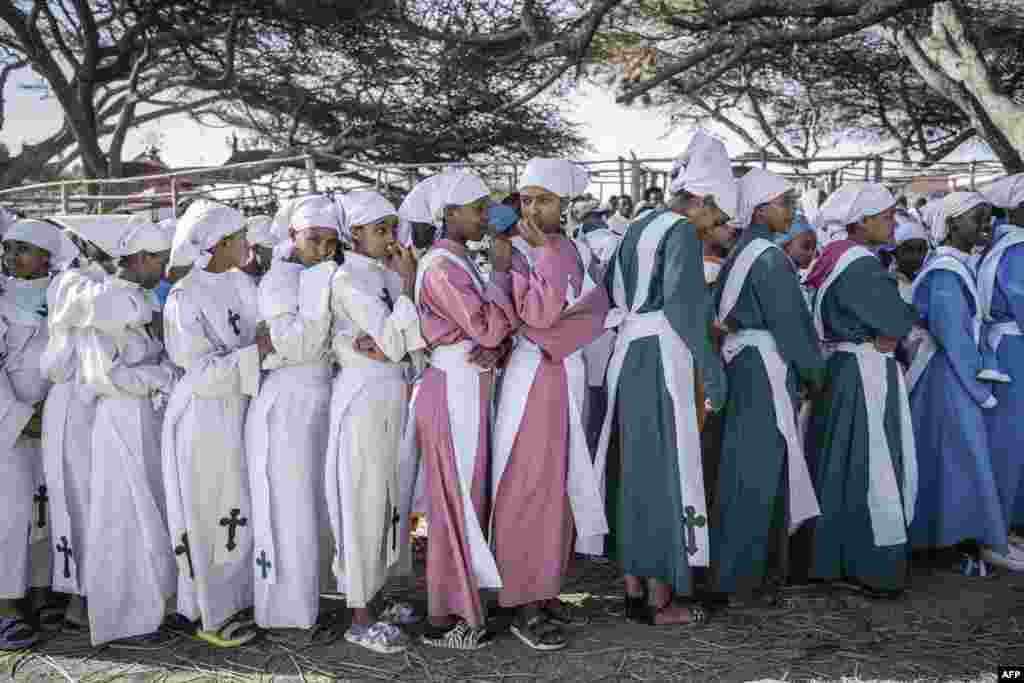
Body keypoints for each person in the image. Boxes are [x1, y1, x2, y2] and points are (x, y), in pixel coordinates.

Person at [595, 132, 729, 626]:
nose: (714, 226)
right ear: (700, 200)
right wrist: (714, 379)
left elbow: (611, 286)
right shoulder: (679, 234)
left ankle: (634, 588)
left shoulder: (637, 224)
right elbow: (686, 309)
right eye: (714, 216)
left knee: (633, 470)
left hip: (630, 354)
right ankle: (661, 599)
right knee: (665, 474)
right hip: (662, 357)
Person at [490, 159, 610, 650]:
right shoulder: (513, 252)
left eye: (545, 199)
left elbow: (597, 313)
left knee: (560, 483)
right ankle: (522, 598)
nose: (534, 208)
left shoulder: (579, 250)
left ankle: (547, 585)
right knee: (528, 484)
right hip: (534, 375)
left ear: (564, 203)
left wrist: (561, 320)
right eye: (526, 198)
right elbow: (535, 315)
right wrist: (540, 254)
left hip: (567, 373)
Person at [49, 214, 178, 645]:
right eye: (159, 259)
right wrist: (162, 376)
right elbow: (104, 376)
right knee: (123, 519)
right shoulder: (104, 304)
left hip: (142, 416)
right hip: (119, 418)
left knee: (147, 514)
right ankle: (124, 617)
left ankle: (151, 607)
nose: (164, 268)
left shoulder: (133, 297)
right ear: (139, 258)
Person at [413, 171, 518, 649]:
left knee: (470, 493)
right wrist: (499, 275)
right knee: (454, 499)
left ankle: (466, 602)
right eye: (477, 208)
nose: (485, 216)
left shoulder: (458, 260)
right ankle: (454, 612)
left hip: (470, 383)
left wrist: (494, 346)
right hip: (452, 388)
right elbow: (487, 326)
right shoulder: (441, 267)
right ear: (450, 213)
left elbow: (491, 335)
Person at [710, 169, 824, 606]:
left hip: (744, 366)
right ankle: (742, 581)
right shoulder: (770, 258)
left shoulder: (741, 252)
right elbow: (793, 328)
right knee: (756, 476)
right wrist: (816, 375)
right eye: (786, 202)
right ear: (760, 209)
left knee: (743, 471)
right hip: (764, 369)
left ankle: (743, 574)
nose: (792, 211)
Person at [803, 183, 919, 597]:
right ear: (862, 221)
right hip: (864, 370)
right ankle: (870, 563)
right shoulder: (862, 265)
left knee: (839, 463)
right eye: (886, 217)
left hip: (841, 366)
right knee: (872, 466)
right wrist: (895, 325)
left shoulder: (833, 256)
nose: (893, 224)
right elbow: (896, 318)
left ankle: (830, 557)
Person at [162, 200, 267, 647]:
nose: (248, 242)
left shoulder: (241, 282)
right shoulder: (185, 297)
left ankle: (239, 598)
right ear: (222, 243)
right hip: (205, 416)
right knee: (210, 513)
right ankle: (211, 612)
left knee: (239, 508)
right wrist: (256, 354)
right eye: (241, 235)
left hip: (239, 409)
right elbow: (199, 372)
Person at [325, 191, 425, 653]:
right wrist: (405, 295)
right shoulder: (348, 279)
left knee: (390, 498)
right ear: (355, 234)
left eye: (392, 228)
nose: (390, 238)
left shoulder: (384, 274)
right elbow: (391, 342)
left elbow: (408, 342)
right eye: (379, 230)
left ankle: (380, 594)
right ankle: (359, 615)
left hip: (392, 394)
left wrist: (394, 335)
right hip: (363, 398)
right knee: (364, 500)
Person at [245, 196, 339, 633]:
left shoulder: (322, 275)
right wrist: (321, 288)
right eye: (313, 239)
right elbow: (296, 345)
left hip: (322, 397)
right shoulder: (278, 283)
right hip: (288, 402)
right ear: (292, 237)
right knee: (290, 505)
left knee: (317, 505)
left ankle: (315, 595)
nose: (321, 249)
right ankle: (286, 611)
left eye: (329, 242)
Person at [908, 193, 1015, 570]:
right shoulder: (944, 271)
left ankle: (960, 539)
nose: (984, 225)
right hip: (946, 377)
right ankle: (957, 542)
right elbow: (953, 334)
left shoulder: (955, 265)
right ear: (952, 224)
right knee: (959, 456)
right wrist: (979, 388)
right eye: (975, 218)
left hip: (950, 374)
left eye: (987, 217)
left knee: (952, 458)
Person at [39, 218, 119, 633]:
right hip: (74, 403)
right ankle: (81, 596)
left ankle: (93, 592)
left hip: (88, 402)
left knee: (93, 498)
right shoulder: (74, 283)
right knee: (80, 499)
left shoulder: (84, 280)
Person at [0, 220, 76, 650]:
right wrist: (19, 415)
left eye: (23, 249)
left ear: (47, 254)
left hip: (57, 415)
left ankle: (44, 593)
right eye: (8, 249)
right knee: (8, 515)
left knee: (50, 508)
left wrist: (57, 407)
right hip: (9, 422)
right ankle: (6, 606)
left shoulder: (66, 293)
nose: (12, 258)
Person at [979, 174, 1024, 547]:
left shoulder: (1001, 243)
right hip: (1014, 349)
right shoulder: (1019, 249)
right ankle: (1001, 528)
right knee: (1010, 439)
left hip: (1004, 348)